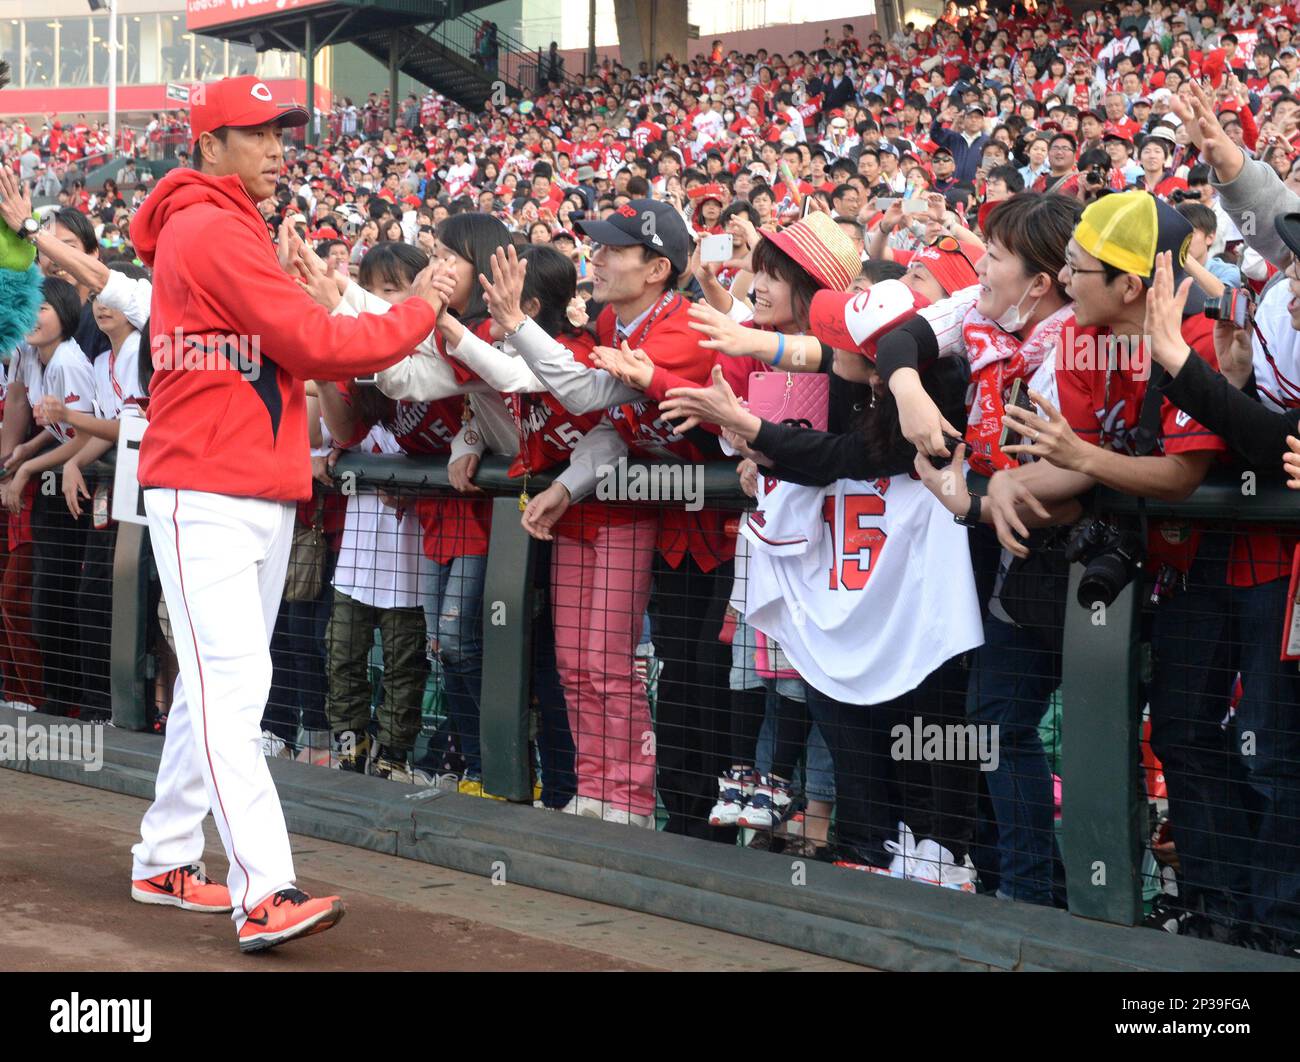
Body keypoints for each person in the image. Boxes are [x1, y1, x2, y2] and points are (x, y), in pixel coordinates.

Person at [124, 76, 446, 953]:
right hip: (205, 488)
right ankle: (264, 890)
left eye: (282, 132)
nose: (277, 147)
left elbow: (288, 336)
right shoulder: (206, 225)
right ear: (209, 143)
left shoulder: (229, 226)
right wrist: (422, 309)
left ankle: (163, 854)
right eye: (257, 132)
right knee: (232, 694)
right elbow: (310, 343)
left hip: (246, 487)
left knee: (214, 687)